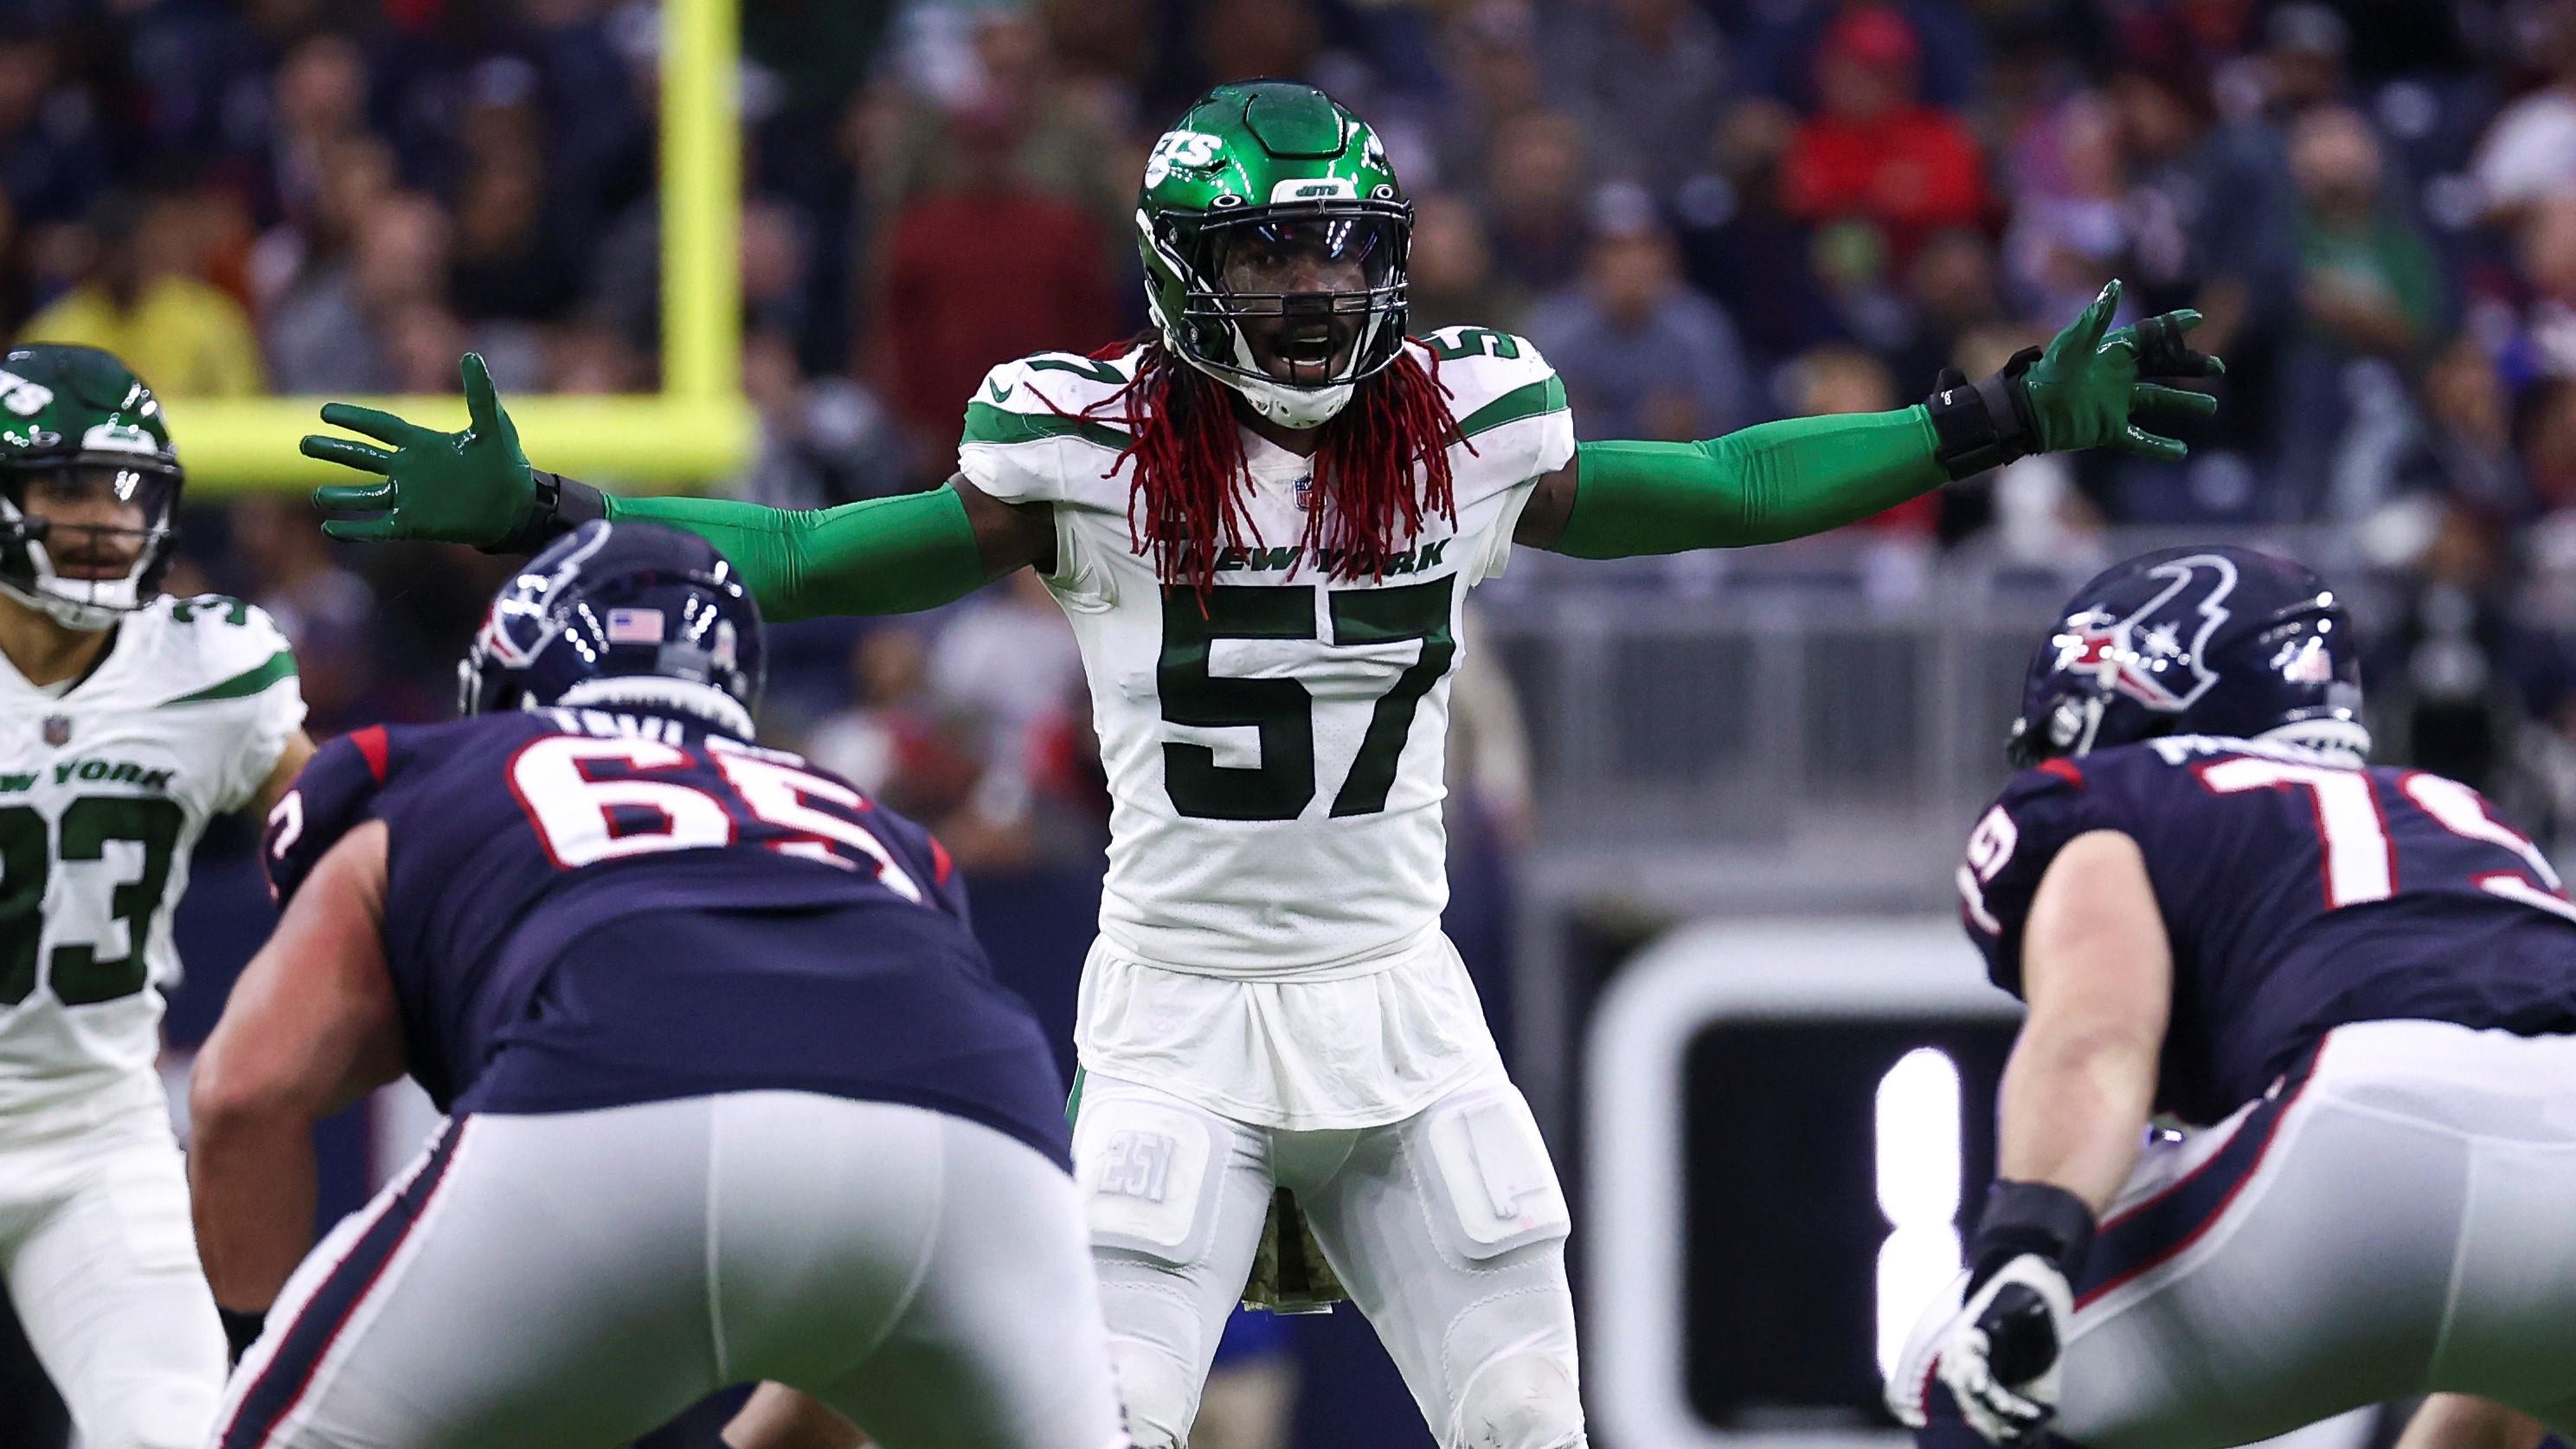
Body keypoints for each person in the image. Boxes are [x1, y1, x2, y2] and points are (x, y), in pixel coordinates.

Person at [297, 80, 2223, 1449]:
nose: (1310, 298)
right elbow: (807, 557)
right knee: (1109, 1425)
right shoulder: (1085, 454)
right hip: (1178, 1017)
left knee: (1531, 1420)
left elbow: (1719, 481)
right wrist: (555, 505)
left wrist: (1986, 422)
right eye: (1265, 261)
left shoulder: (1466, 425)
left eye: (1337, 258)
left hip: (1402, 998)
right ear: (1174, 272)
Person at [187, 519, 1126, 1449]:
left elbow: (244, 1092)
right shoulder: (872, 826)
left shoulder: (436, 771)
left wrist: (251, 1355)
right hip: (985, 1141)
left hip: (615, 1094)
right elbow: (858, 1326)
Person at [1894, 545, 2576, 1449]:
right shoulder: (2468, 821)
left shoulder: (2122, 795)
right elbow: (2497, 1366)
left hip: (2360, 1130)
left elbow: (2097, 1034)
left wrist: (2029, 1253)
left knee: (1959, 1368)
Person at [0, 343, 311, 1449]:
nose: (104, 520)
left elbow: (343, 848)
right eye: (69, 486)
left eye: (128, 491)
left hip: (92, 1134)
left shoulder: (205, 669)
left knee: (173, 1427)